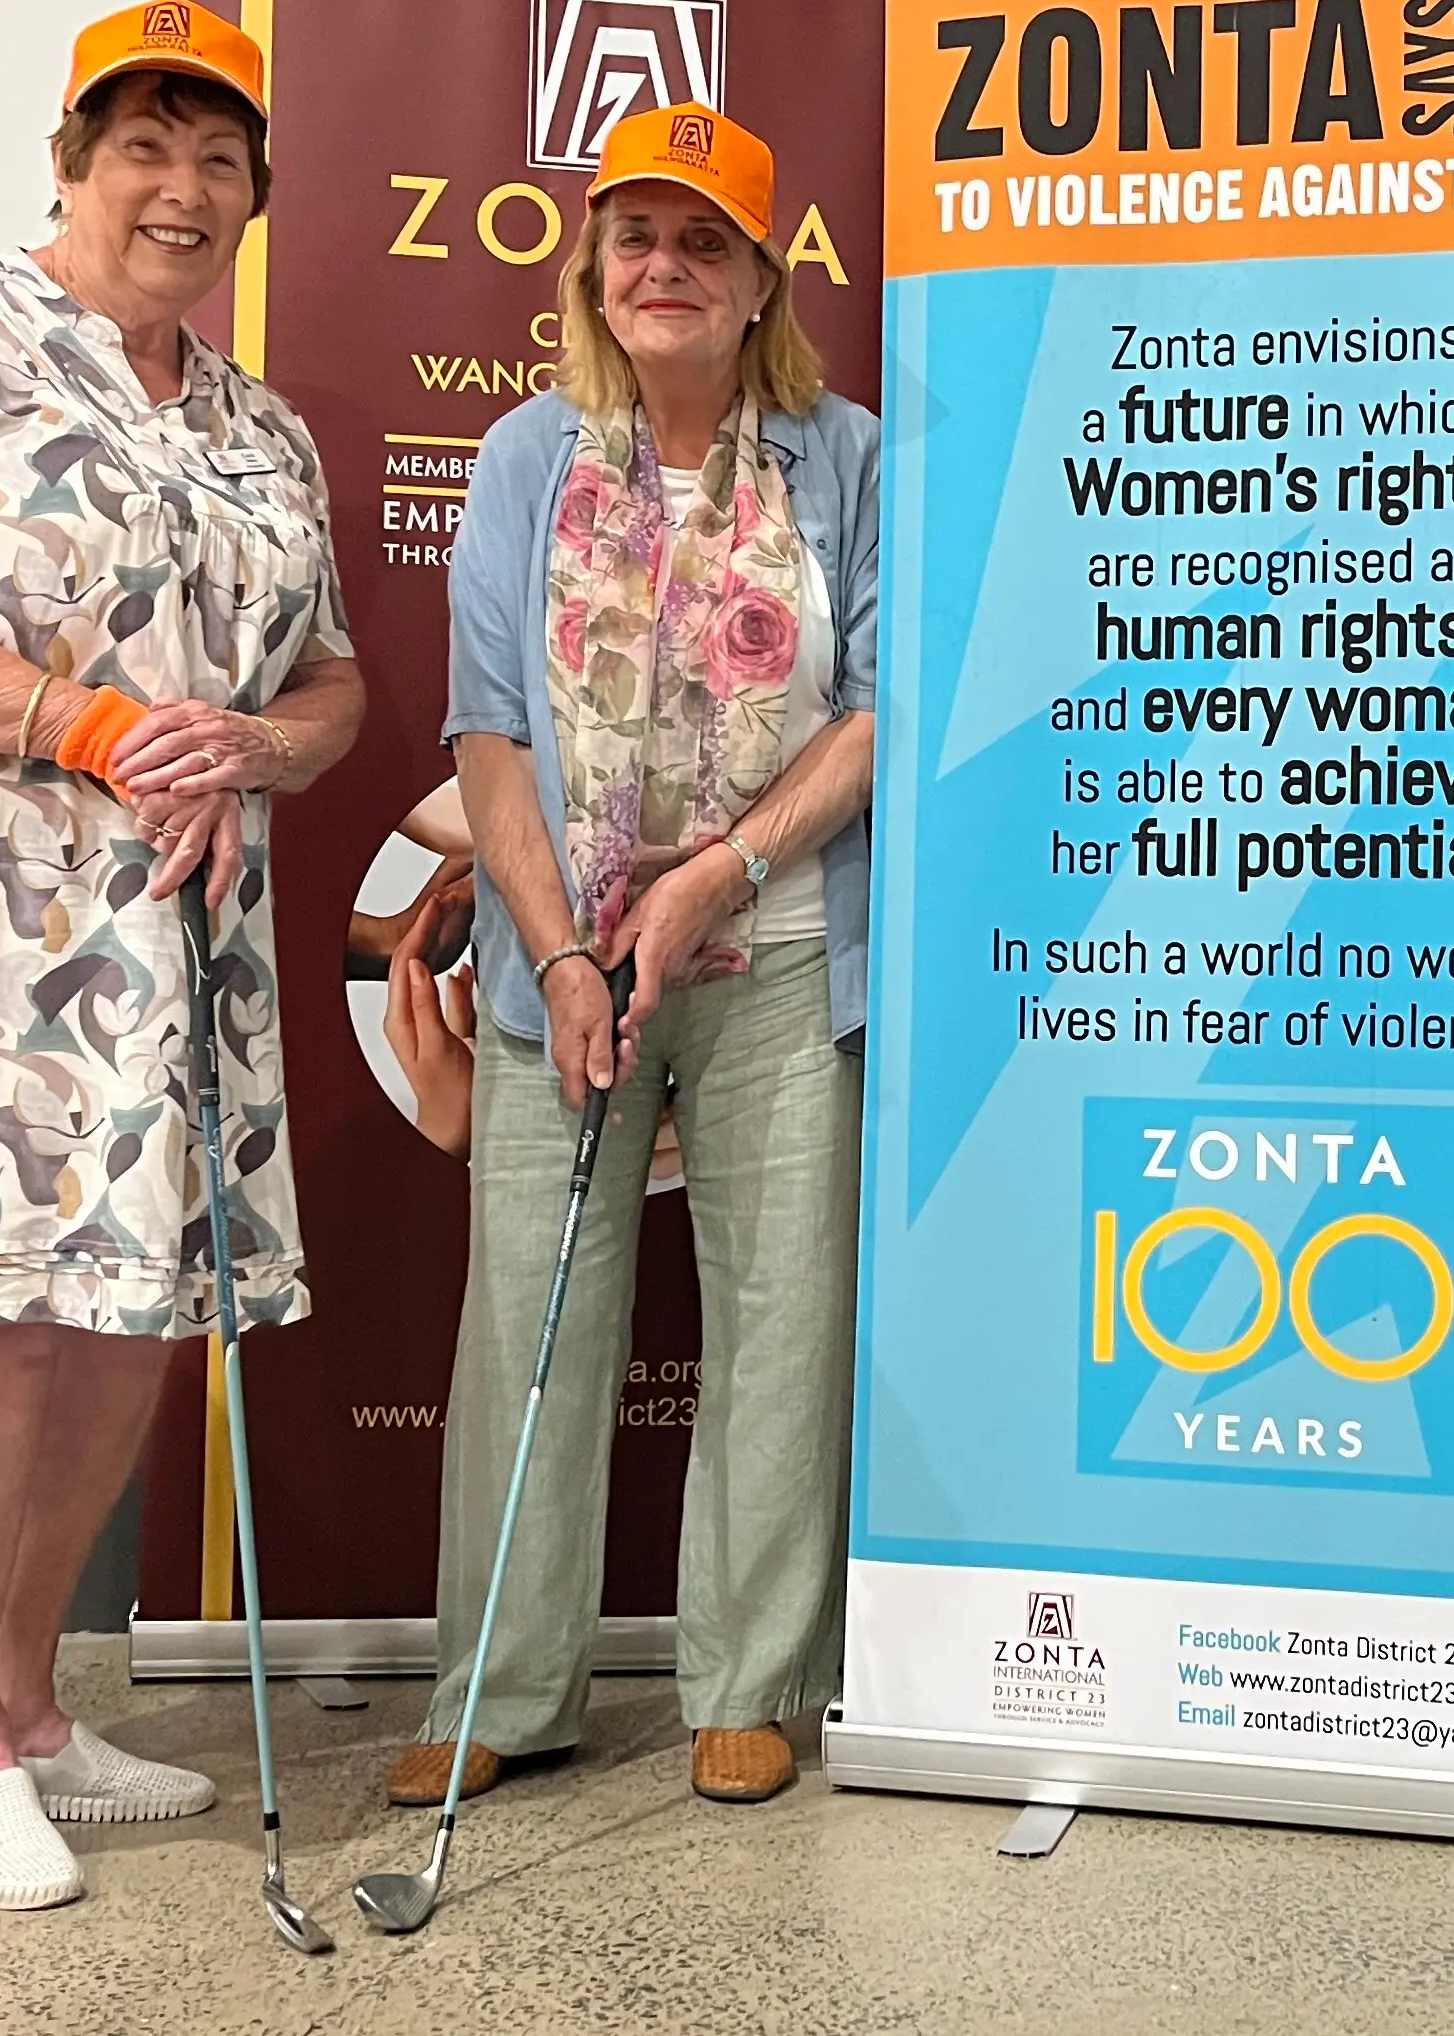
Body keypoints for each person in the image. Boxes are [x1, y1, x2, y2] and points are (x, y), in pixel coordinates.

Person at [0, 0, 364, 1910]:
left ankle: (36, 1710)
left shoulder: (256, 419)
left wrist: (266, 743)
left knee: (126, 1310)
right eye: (143, 147)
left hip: (187, 934)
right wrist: (98, 725)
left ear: (257, 198)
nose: (180, 189)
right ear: (70, 163)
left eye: (219, 159)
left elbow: (335, 677)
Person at [389, 101, 875, 1811]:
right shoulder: (528, 458)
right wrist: (561, 948)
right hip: (557, 980)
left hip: (788, 957)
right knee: (530, 1320)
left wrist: (715, 878)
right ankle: (501, 1686)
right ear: (595, 271)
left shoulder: (850, 458)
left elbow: (876, 711)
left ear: (760, 282)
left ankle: (748, 1679)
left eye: (705, 243)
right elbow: (488, 730)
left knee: (775, 1325)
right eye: (635, 237)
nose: (665, 267)